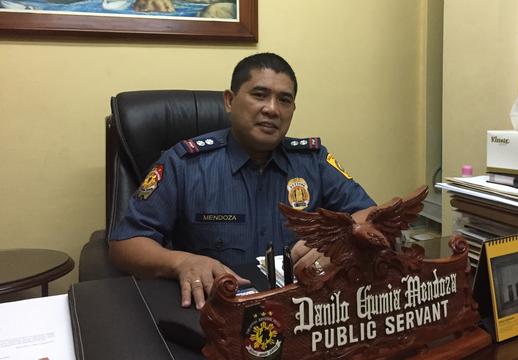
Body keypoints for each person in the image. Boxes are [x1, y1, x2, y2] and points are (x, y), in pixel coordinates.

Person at [108, 53, 376, 309]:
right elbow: (125, 244)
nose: (272, 109)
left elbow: (371, 215)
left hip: (301, 310)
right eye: (259, 95)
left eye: (284, 100)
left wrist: (341, 242)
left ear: (293, 109)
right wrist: (180, 262)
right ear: (229, 100)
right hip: (216, 311)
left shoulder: (312, 161)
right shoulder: (184, 162)